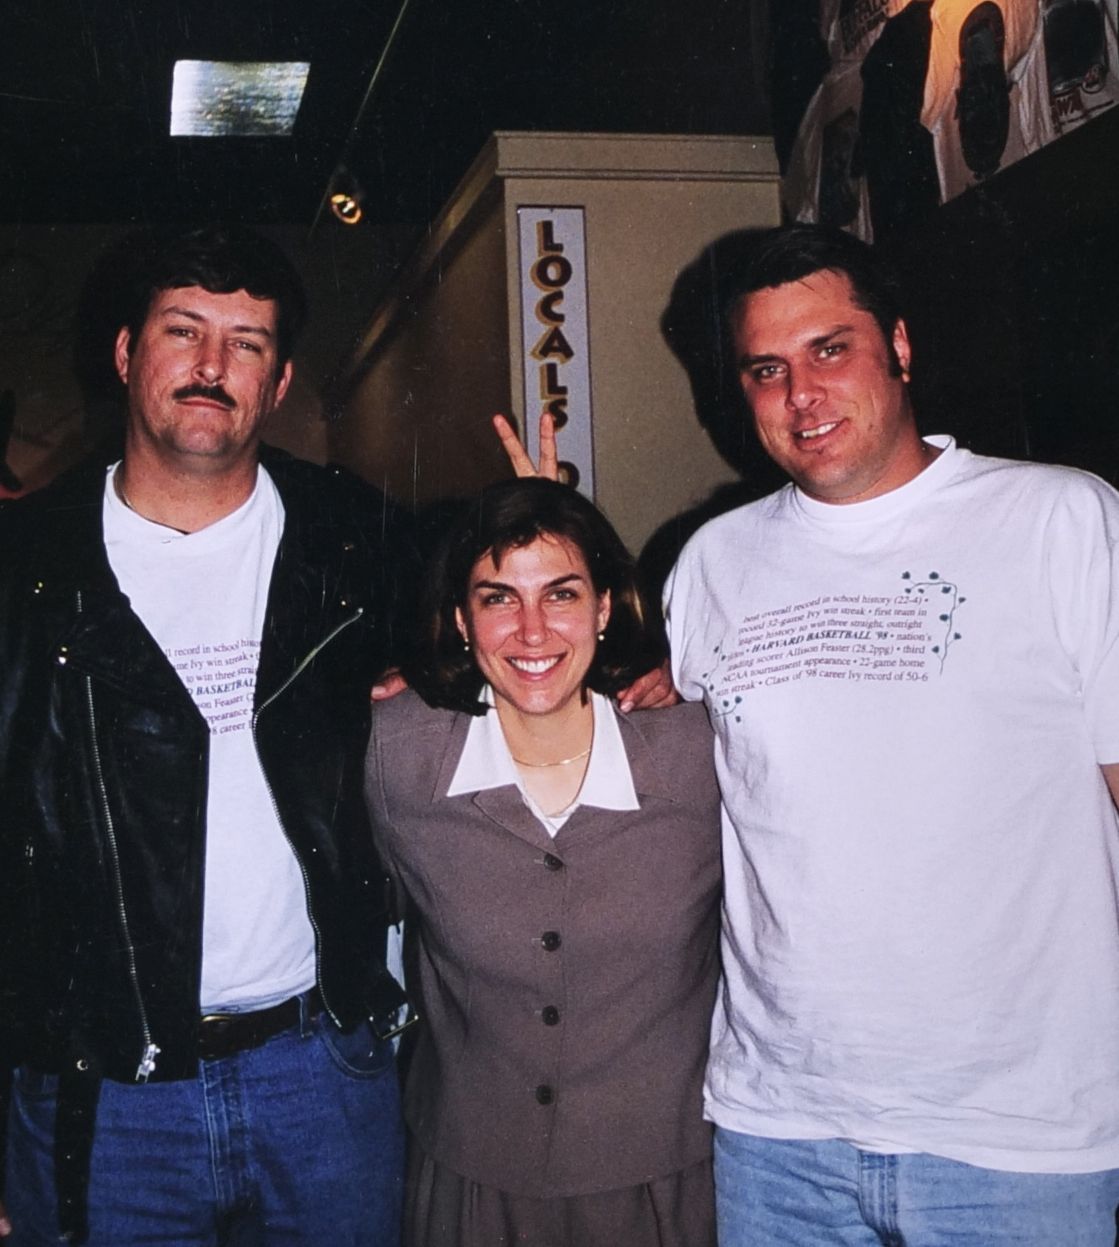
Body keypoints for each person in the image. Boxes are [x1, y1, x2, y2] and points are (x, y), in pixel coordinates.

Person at [501, 223, 1119, 1244]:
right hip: (777, 1136)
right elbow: (618, 723)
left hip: (1021, 1142)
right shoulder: (710, 563)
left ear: (900, 346)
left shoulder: (1062, 520)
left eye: (830, 349)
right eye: (766, 369)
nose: (801, 394)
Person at [0, 225, 410, 1245]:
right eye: (183, 331)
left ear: (279, 383)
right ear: (126, 353)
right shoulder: (24, 568)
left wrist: (637, 663)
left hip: (325, 1074)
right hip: (101, 1094)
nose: (212, 365)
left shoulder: (355, 542)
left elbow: (516, 645)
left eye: (246, 343)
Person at [366, 477, 722, 1247]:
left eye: (561, 594)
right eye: (498, 598)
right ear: (460, 620)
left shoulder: (699, 753)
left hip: (663, 1186)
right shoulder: (396, 752)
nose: (532, 631)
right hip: (469, 1187)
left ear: (604, 607)